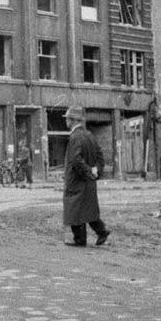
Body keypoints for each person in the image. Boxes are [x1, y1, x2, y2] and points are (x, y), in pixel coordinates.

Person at [62, 106, 110, 247]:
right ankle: (101, 231)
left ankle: (80, 239)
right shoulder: (90, 135)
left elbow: (76, 160)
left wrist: (88, 171)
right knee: (87, 209)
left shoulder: (74, 137)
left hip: (76, 181)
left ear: (72, 121)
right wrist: (95, 172)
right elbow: (100, 157)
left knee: (74, 209)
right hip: (89, 181)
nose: (66, 122)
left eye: (67, 119)